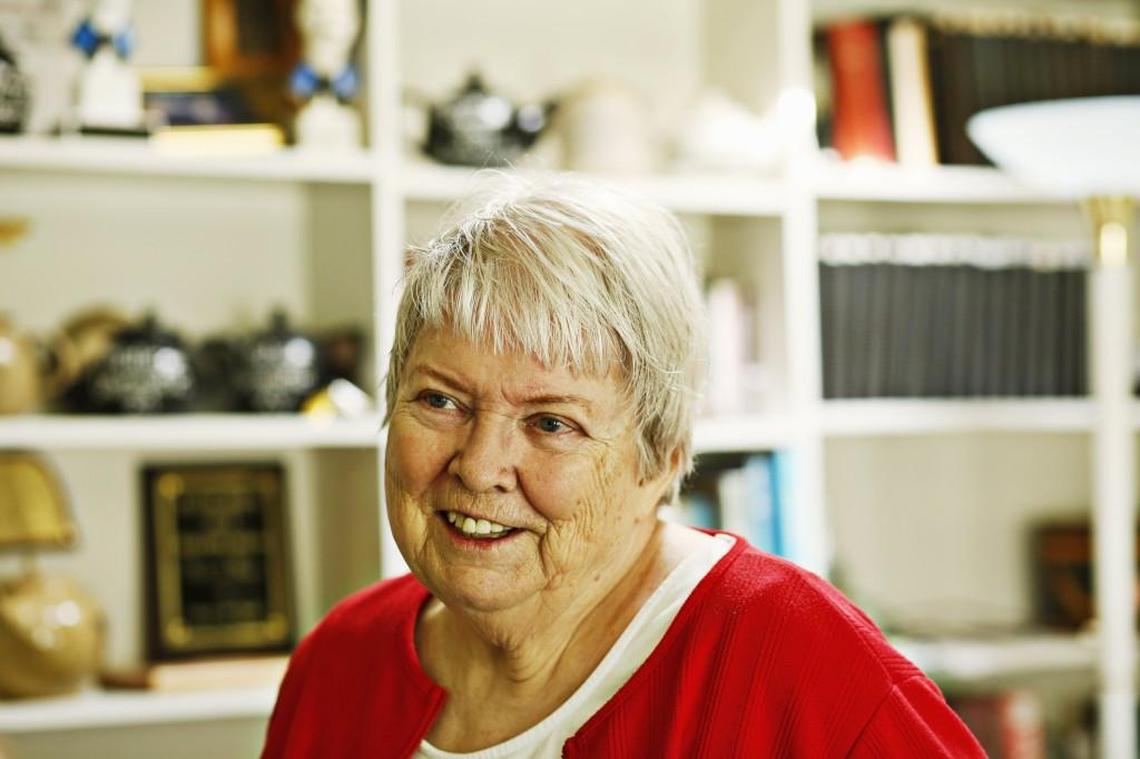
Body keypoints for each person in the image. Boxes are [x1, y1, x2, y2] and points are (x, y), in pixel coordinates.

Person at [261, 176, 984, 758]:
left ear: (661, 460)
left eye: (551, 423)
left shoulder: (795, 660)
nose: (480, 467)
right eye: (442, 400)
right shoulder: (339, 663)